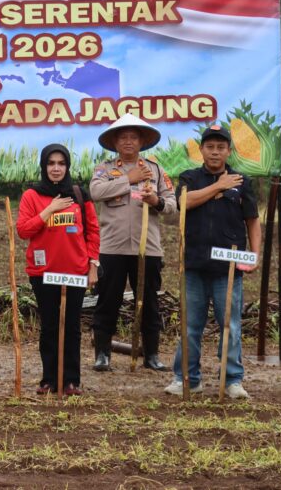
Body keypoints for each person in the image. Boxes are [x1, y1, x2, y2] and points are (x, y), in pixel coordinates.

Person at [165, 125, 260, 398]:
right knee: (190, 324)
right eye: (210, 147)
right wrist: (218, 186)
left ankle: (232, 380)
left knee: (230, 324)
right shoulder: (190, 177)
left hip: (228, 267)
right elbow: (184, 201)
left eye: (221, 147)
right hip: (194, 263)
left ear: (228, 151)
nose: (215, 152)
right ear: (202, 150)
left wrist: (254, 254)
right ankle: (187, 378)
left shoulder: (242, 182)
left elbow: (252, 220)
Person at [90, 113, 176, 372]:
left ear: (141, 142)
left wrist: (156, 202)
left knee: (149, 302)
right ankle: (102, 354)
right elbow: (96, 193)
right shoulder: (103, 169)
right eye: (123, 137)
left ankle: (152, 354)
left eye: (133, 137)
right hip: (112, 248)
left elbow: (172, 204)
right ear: (115, 142)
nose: (128, 142)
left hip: (147, 248)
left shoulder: (157, 170)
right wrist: (129, 179)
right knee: (108, 301)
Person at [17, 144, 100, 395]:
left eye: (61, 163)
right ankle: (50, 379)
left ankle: (71, 380)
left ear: (67, 167)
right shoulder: (32, 195)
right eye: (51, 163)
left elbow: (93, 231)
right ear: (44, 166)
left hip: (75, 270)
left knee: (72, 327)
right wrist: (48, 210)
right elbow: (23, 231)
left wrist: (93, 266)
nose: (56, 168)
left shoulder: (79, 194)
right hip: (43, 272)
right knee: (50, 326)